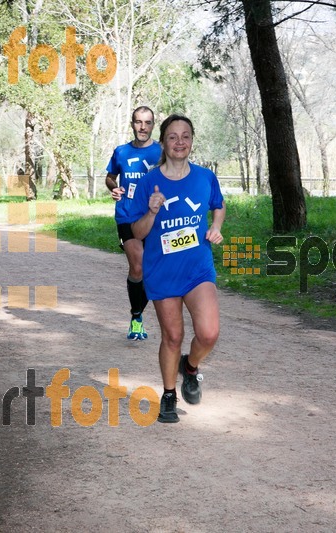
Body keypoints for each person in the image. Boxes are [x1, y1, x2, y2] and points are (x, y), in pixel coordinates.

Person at [127, 114, 225, 423]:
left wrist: (216, 227)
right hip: (163, 270)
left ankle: (191, 367)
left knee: (208, 334)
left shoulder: (205, 177)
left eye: (185, 136)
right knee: (173, 336)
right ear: (163, 143)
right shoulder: (147, 182)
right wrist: (153, 211)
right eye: (172, 136)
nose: (179, 141)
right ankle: (169, 394)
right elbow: (138, 232)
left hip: (197, 268)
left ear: (192, 142)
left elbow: (218, 206)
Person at [105, 106, 162, 340]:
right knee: (137, 267)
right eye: (138, 122)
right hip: (127, 215)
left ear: (153, 125)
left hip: (155, 217)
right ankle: (136, 317)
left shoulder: (162, 151)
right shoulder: (121, 152)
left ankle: (137, 313)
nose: (143, 127)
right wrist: (113, 187)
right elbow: (110, 177)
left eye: (147, 123)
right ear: (132, 124)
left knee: (152, 271)